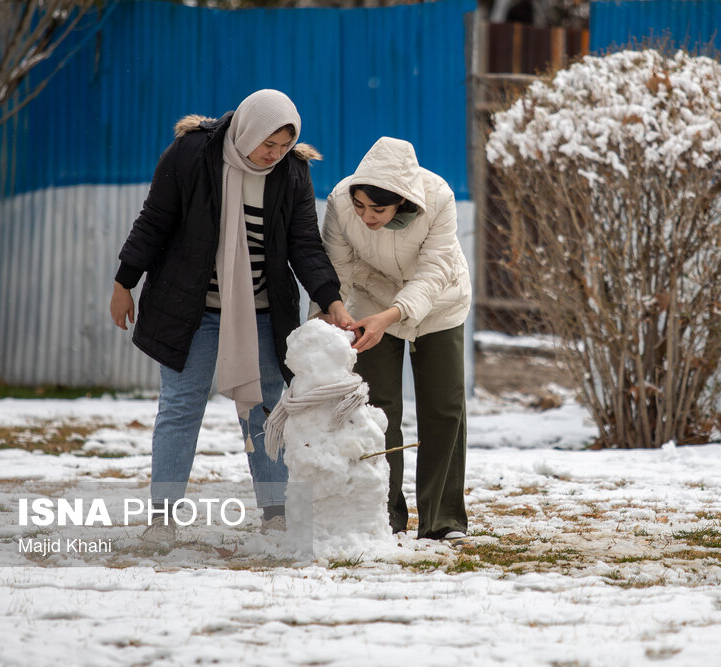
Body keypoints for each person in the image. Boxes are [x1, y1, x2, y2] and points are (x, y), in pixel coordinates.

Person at [109, 89, 354, 545]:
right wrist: (125, 282)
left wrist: (331, 299)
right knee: (181, 407)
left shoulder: (293, 173)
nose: (274, 156)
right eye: (268, 145)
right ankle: (162, 517)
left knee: (266, 410)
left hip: (262, 312)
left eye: (284, 147)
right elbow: (155, 219)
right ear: (249, 131)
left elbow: (304, 244)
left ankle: (275, 513)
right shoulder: (192, 154)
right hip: (191, 309)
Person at [314, 136, 471, 543]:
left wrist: (392, 316)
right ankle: (383, 515)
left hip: (439, 304)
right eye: (361, 206)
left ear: (402, 201)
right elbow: (337, 268)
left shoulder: (438, 198)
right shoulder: (339, 202)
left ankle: (442, 519)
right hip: (370, 303)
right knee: (377, 409)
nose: (366, 217)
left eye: (378, 209)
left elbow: (435, 270)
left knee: (444, 406)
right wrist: (332, 312)